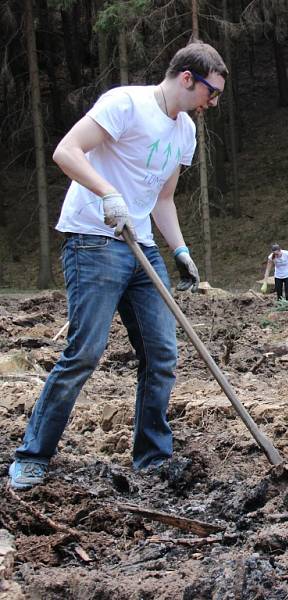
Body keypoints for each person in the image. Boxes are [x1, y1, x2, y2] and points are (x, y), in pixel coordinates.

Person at [8, 42, 228, 490]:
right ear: (188, 78)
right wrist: (108, 194)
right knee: (85, 352)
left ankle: (151, 457)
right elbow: (66, 151)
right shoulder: (125, 103)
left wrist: (181, 251)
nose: (213, 102)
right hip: (93, 240)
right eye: (212, 92)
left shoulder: (184, 131)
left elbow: (162, 199)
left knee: (162, 354)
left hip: (141, 247)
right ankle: (33, 455)